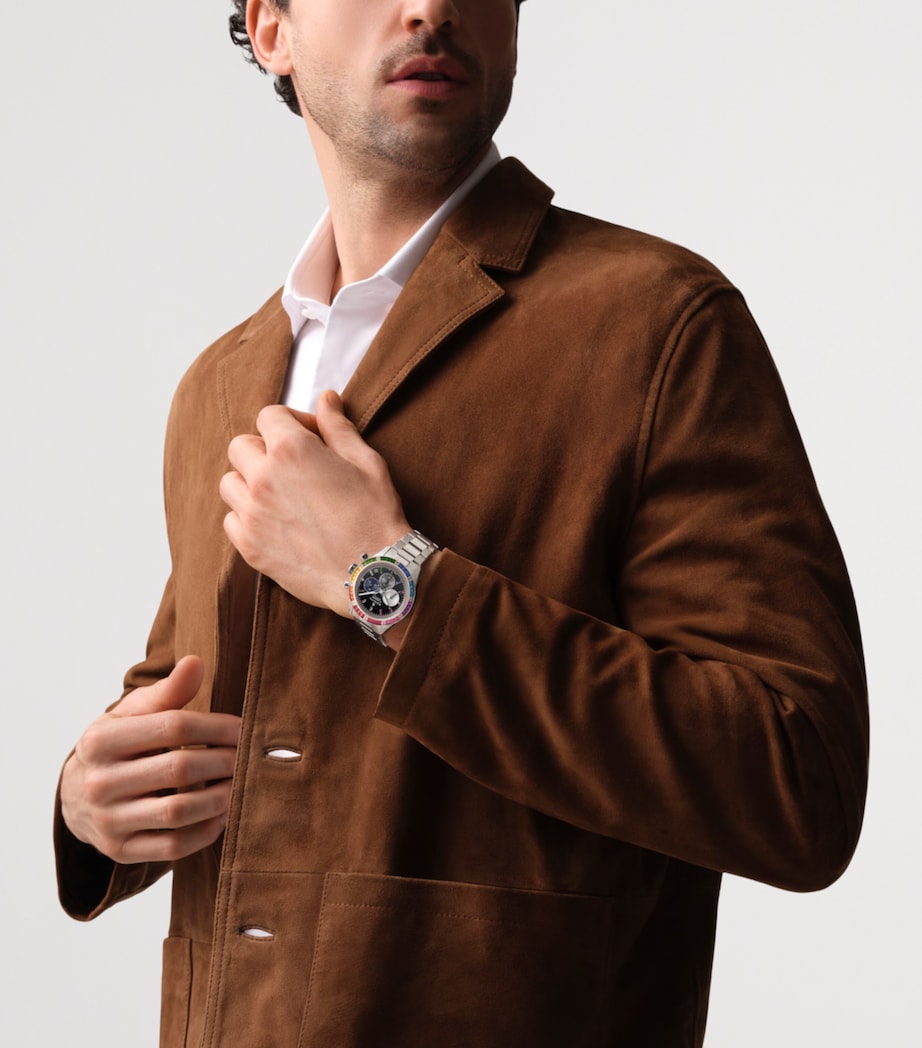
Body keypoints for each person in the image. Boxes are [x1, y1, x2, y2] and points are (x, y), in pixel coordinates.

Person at [55, 1, 869, 1045]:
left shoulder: (658, 325)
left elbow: (796, 784)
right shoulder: (220, 384)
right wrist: (89, 807)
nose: (432, 8)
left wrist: (389, 579)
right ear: (271, 31)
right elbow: (188, 706)